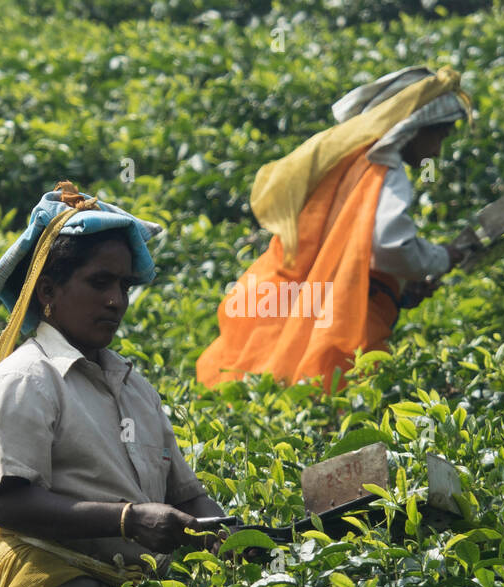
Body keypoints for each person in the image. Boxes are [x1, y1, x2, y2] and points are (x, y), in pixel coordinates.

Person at [0, 182, 227, 587]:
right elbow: (8, 504)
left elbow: (187, 495)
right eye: (99, 282)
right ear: (48, 291)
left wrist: (236, 536)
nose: (116, 300)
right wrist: (129, 520)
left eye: (124, 285)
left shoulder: (132, 386)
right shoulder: (25, 380)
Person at [196, 65, 473, 391]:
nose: (436, 151)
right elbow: (391, 247)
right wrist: (441, 257)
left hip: (297, 302)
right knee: (335, 399)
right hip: (341, 315)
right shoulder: (384, 170)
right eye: (437, 136)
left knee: (275, 395)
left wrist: (398, 286)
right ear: (417, 127)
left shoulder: (342, 161)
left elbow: (344, 249)